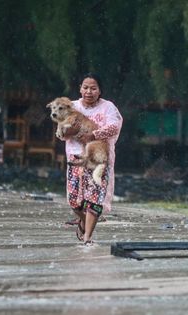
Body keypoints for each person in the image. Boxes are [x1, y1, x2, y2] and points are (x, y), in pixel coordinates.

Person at [64, 73, 123, 245]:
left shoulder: (108, 107)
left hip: (99, 158)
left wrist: (94, 134)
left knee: (94, 199)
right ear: (80, 89)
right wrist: (69, 130)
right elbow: (61, 132)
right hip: (75, 156)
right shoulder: (71, 106)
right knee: (74, 201)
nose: (89, 91)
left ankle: (87, 237)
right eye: (85, 87)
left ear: (100, 90)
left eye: (93, 88)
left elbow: (114, 126)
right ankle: (82, 221)